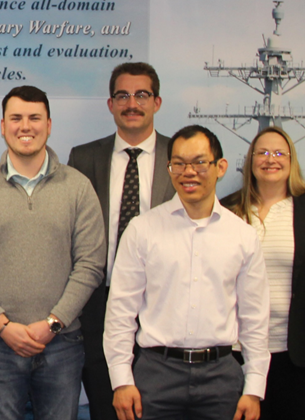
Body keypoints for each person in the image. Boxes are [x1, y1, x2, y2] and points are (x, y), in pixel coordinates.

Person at [0, 85, 106, 420]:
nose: (26, 126)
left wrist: (52, 323)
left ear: (49, 125)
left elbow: (91, 264)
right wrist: (2, 325)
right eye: (16, 118)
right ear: (3, 126)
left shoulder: (78, 187)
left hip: (62, 343)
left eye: (34, 118)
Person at [105, 125, 269, 420]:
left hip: (221, 378)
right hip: (155, 377)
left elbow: (255, 319)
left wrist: (254, 388)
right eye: (178, 164)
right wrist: (121, 380)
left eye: (198, 162)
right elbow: (120, 312)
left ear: (220, 167)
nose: (187, 172)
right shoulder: (143, 230)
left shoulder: (242, 236)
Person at [221, 127, 305, 419]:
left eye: (278, 153)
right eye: (262, 153)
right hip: (235, 355)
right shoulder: (227, 210)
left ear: (291, 160)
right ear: (250, 161)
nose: (270, 160)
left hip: (300, 358)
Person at [66, 62, 177, 420]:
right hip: (99, 302)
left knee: (159, 407)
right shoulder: (83, 158)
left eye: (141, 94)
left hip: (164, 303)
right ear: (110, 104)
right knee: (106, 404)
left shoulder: (180, 155)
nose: (132, 103)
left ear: (157, 102)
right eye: (123, 95)